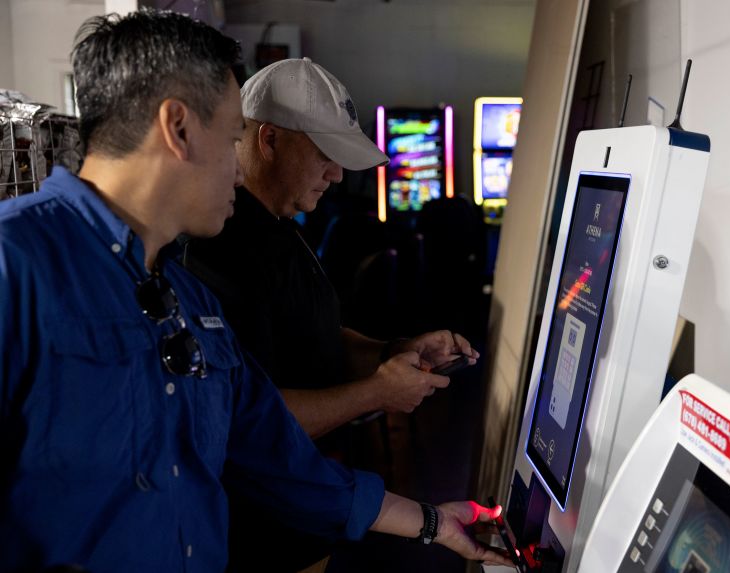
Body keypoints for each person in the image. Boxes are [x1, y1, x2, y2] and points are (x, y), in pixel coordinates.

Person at [0, 10, 510, 573]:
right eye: (232, 139)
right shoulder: (16, 265)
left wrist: (435, 523)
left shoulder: (187, 302)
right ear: (180, 128)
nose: (239, 173)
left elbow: (274, 452)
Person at [182, 56, 483, 572]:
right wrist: (376, 392)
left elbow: (314, 335)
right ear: (268, 139)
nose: (338, 173)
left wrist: (394, 351)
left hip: (312, 510)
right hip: (258, 534)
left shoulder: (281, 224)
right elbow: (249, 418)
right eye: (324, 152)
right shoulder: (221, 244)